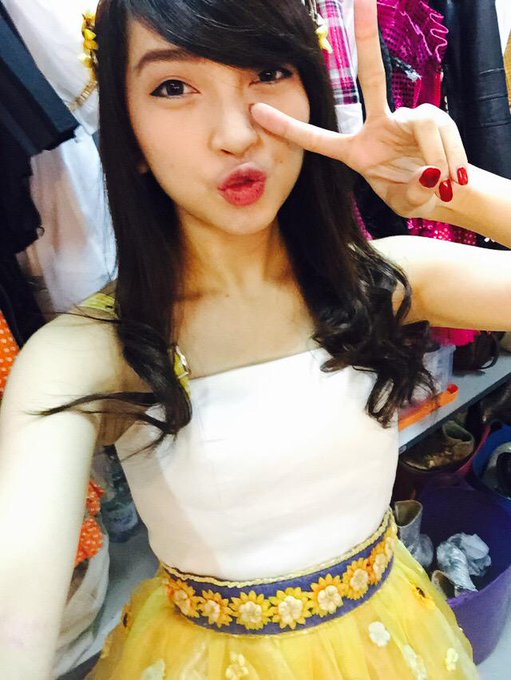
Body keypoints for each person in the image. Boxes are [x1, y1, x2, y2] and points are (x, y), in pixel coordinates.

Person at [1, 0, 509, 677]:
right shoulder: (93, 352)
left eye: (266, 72)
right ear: (129, 132)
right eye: (173, 86)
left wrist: (448, 192)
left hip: (393, 633)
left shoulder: (385, 282)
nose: (235, 134)